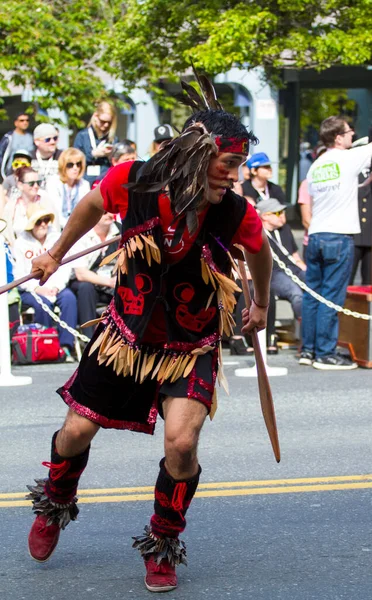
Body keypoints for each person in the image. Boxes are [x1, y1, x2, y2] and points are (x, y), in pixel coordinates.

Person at [25, 80, 272, 594]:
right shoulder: (132, 182)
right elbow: (92, 205)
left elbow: (260, 251)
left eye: (238, 164)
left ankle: (163, 543)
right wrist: (54, 253)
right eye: (224, 162)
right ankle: (56, 500)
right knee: (74, 435)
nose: (233, 174)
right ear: (192, 154)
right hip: (125, 337)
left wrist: (261, 302)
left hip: (191, 345)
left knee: (182, 444)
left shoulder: (233, 210)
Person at [300, 116, 372, 370]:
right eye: (350, 132)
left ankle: (307, 350)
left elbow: (344, 188)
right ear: (339, 137)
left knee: (312, 297)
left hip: (317, 235)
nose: (353, 135)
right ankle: (325, 353)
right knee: (331, 296)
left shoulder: (316, 165)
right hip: (338, 236)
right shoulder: (349, 158)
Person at [12, 203, 77, 362]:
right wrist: (37, 288)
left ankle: (65, 347)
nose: (43, 224)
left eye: (46, 220)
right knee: (43, 304)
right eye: (38, 221)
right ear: (31, 225)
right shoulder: (20, 243)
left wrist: (56, 286)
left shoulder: (57, 238)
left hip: (57, 286)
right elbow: (19, 274)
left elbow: (65, 267)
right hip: (31, 289)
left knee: (69, 299)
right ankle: (45, 346)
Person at [69, 211, 121, 339]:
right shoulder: (81, 234)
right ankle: (89, 338)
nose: (109, 215)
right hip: (88, 282)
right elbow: (80, 273)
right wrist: (109, 282)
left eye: (111, 211)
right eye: (104, 212)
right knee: (86, 288)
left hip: (114, 280)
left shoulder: (120, 230)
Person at [257, 197, 306, 321]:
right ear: (265, 216)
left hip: (292, 268)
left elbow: (295, 256)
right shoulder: (257, 233)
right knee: (296, 293)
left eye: (283, 212)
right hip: (274, 273)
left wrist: (307, 272)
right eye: (278, 213)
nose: (282, 215)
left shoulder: (285, 229)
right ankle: (305, 326)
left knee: (316, 285)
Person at [2, 166, 57, 245]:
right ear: (20, 185)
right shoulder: (12, 207)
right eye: (31, 183)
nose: (36, 186)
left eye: (38, 182)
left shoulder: (46, 202)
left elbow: (55, 229)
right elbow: (6, 234)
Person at [73, 100, 118, 186]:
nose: (106, 125)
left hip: (104, 181)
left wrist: (110, 155)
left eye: (109, 122)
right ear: (95, 116)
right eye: (103, 121)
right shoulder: (83, 136)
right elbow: (74, 161)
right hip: (84, 182)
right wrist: (93, 154)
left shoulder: (113, 139)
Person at [45, 148, 90, 228]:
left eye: (78, 164)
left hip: (79, 228)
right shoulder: (53, 182)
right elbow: (55, 211)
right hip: (57, 227)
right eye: (70, 165)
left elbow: (85, 212)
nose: (75, 168)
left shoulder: (84, 185)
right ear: (63, 166)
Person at [0, 112, 34, 180]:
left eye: (27, 120)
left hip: (28, 175)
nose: (25, 122)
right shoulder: (9, 137)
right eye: (22, 120)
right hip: (10, 174)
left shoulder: (32, 138)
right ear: (16, 123)